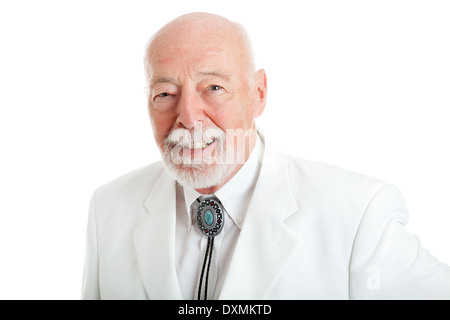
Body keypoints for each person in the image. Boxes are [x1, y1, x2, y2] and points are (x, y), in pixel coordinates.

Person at [82, 12, 450, 300]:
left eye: (213, 87)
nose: (189, 117)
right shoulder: (108, 209)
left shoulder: (358, 216)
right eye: (164, 94)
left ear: (258, 93)